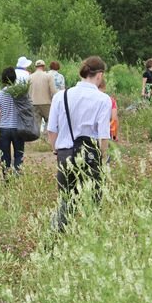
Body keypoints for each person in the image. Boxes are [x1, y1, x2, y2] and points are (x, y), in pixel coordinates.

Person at [47, 56, 111, 232]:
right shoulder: (103, 99)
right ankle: (88, 235)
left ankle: (56, 240)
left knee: (66, 200)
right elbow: (103, 136)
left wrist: (56, 151)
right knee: (92, 201)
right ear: (99, 75)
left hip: (65, 153)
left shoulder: (61, 96)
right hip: (90, 156)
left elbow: (52, 129)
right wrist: (103, 158)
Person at [0, 68, 25, 178]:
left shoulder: (0, 94)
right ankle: (17, 177)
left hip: (4, 128)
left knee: (5, 156)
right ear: (15, 78)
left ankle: (6, 179)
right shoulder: (20, 92)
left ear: (3, 79)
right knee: (19, 154)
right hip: (18, 128)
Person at [29, 60, 58, 138]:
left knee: (36, 123)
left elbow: (28, 92)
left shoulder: (30, 77)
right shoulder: (48, 76)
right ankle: (46, 137)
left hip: (33, 103)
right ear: (44, 66)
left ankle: (37, 139)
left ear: (35, 67)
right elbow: (53, 91)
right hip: (46, 102)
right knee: (49, 120)